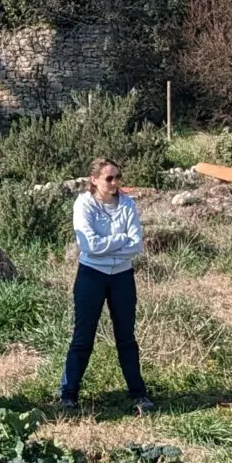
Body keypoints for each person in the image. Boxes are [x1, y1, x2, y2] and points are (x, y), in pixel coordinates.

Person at [60, 157, 152, 413]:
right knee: (83, 337)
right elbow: (89, 246)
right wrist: (120, 241)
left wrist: (109, 245)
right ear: (94, 180)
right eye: (109, 178)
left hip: (122, 276)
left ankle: (138, 393)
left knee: (126, 337)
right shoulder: (84, 204)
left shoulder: (128, 204)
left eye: (117, 177)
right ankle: (68, 394)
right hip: (91, 275)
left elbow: (136, 245)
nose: (115, 183)